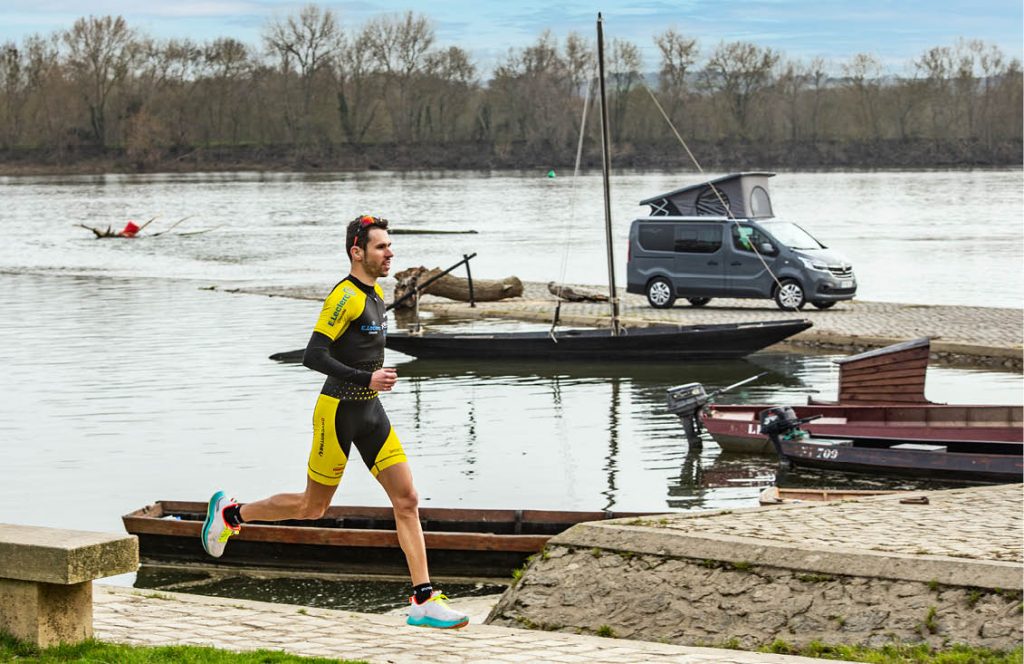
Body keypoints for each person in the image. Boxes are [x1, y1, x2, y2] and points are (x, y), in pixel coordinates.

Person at [201, 214, 468, 630]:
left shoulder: (376, 293)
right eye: (381, 247)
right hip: (338, 412)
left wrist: (379, 376)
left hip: (371, 413)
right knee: (314, 506)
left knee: (408, 500)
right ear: (356, 252)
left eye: (389, 246)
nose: (390, 253)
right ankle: (232, 515)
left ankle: (423, 599)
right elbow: (314, 355)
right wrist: (368, 377)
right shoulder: (344, 297)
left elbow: (361, 345)